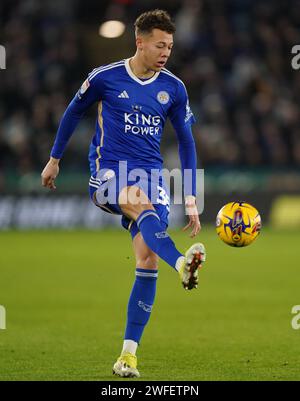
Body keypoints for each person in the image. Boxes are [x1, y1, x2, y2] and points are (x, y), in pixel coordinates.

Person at [41, 9, 206, 378]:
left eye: (170, 46)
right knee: (137, 200)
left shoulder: (174, 89)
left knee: (147, 260)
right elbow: (72, 112)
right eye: (160, 45)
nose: (166, 52)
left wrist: (191, 198)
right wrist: (54, 160)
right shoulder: (105, 78)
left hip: (153, 177)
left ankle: (127, 357)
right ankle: (181, 262)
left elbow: (187, 142)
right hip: (109, 174)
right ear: (140, 42)